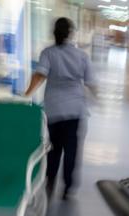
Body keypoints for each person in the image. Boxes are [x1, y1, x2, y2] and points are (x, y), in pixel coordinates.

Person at [24, 17, 96, 200]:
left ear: (54, 32)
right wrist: (97, 97)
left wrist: (27, 94)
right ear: (70, 33)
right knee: (72, 149)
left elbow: (40, 75)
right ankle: (68, 188)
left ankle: (50, 182)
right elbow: (90, 82)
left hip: (54, 110)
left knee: (54, 149)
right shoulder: (81, 55)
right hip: (75, 110)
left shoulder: (48, 53)